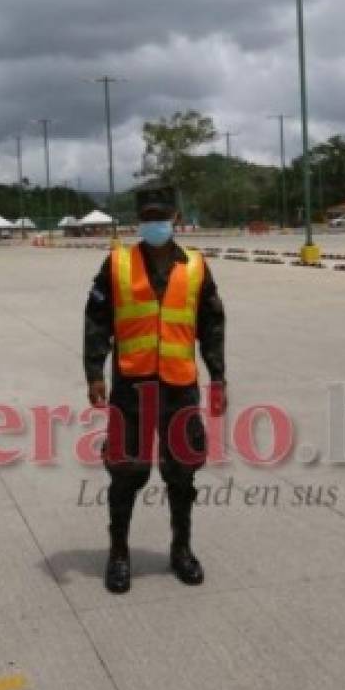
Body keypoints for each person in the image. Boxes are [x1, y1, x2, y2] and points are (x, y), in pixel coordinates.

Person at [82, 185, 227, 594]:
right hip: (131, 387)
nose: (155, 224)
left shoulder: (197, 267)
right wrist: (94, 371)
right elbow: (96, 318)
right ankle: (119, 554)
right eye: (147, 218)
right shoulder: (117, 264)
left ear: (176, 218)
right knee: (126, 473)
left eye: (161, 217)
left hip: (180, 388)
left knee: (182, 474)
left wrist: (218, 376)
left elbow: (212, 325)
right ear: (138, 221)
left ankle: (181, 550)